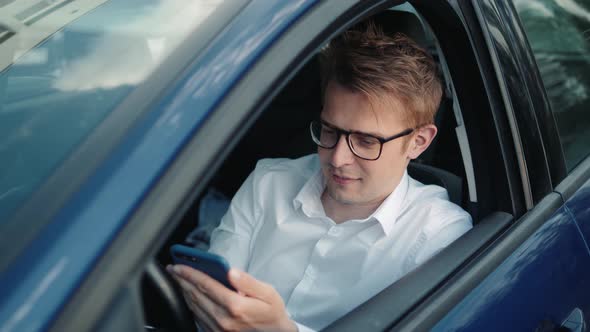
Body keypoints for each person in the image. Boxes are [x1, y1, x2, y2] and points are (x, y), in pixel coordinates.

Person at [167, 21, 472, 332]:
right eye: (330, 130)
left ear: (418, 142)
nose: (337, 158)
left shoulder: (437, 236)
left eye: (366, 141)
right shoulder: (268, 182)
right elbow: (210, 309)